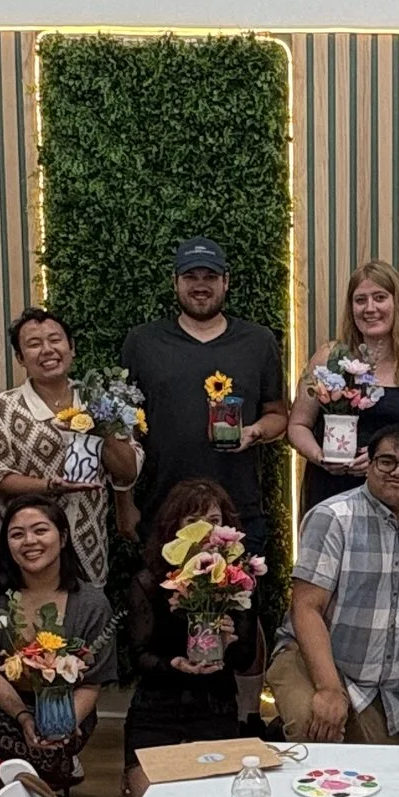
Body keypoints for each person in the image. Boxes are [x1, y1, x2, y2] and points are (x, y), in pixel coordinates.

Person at [266, 424, 399, 743]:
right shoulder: (333, 517)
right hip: (313, 661)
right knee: (316, 735)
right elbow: (306, 608)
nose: (398, 472)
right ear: (369, 467)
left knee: (389, 773)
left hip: (387, 686)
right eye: (386, 461)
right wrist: (328, 689)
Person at [119, 238, 290, 566]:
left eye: (209, 277)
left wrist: (254, 431)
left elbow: (278, 414)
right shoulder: (143, 342)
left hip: (238, 511)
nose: (200, 285)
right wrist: (124, 504)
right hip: (164, 510)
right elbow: (125, 431)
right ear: (175, 282)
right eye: (190, 277)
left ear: (226, 282)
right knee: (165, 612)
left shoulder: (258, 342)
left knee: (237, 611)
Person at [0, 494, 119, 797]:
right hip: (0, 705)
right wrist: (23, 716)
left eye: (40, 530)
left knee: (52, 742)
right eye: (17, 534)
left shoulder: (91, 603)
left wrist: (63, 723)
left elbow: (92, 681)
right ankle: (39, 785)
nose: (29, 541)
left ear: (64, 536)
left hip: (66, 709)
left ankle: (47, 778)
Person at [124, 478, 268, 797]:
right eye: (192, 522)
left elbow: (245, 659)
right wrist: (175, 665)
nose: (205, 531)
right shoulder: (149, 582)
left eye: (214, 521)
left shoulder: (239, 581)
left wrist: (230, 643)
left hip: (213, 709)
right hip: (157, 710)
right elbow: (139, 656)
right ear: (174, 528)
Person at [0, 305, 142, 588]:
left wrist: (103, 429)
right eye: (33, 344)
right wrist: (48, 486)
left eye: (55, 340)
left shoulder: (99, 402)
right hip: (27, 545)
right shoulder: (3, 408)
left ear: (71, 347)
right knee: (25, 622)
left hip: (87, 542)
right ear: (20, 357)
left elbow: (126, 472)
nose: (47, 350)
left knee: (86, 620)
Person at [288, 260, 399, 512]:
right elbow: (298, 425)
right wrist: (320, 456)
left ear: (397, 303)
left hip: (398, 494)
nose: (370, 308)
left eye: (380, 298)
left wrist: (388, 458)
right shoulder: (329, 357)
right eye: (360, 300)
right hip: (331, 490)